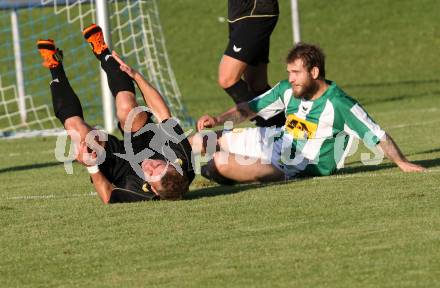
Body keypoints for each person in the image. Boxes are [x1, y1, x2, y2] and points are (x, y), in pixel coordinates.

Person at [195, 43, 425, 184]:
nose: (291, 78)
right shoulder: (287, 90)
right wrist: (218, 120)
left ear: (314, 72)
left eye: (296, 73)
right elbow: (249, 109)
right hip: (270, 142)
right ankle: (165, 175)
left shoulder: (339, 104)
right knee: (199, 140)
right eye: (289, 72)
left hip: (289, 168)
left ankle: (218, 174)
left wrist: (402, 163)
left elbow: (376, 134)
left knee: (220, 164)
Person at [37, 24, 194, 203]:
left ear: (153, 190)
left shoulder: (141, 192)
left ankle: (54, 65)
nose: (149, 166)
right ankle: (103, 51)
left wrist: (92, 166)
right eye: (157, 165)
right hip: (146, 143)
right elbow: (162, 113)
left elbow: (108, 196)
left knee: (78, 132)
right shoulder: (181, 155)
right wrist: (136, 76)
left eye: (150, 174)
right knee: (128, 109)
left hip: (120, 166)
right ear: (172, 164)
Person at [219, 0, 285, 127]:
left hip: (255, 12)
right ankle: (284, 131)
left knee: (227, 78)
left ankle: (279, 133)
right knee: (256, 84)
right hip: (240, 13)